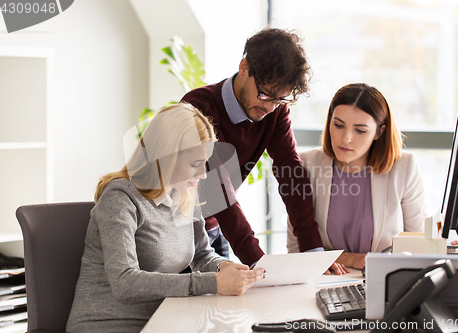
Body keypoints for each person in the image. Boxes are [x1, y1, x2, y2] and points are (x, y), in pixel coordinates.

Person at [66, 103, 265, 333]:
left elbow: (201, 255)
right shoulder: (120, 198)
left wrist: (227, 268)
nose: (202, 175)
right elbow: (125, 282)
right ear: (164, 156)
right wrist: (213, 283)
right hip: (107, 325)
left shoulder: (184, 194)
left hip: (163, 321)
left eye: (204, 164)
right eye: (194, 165)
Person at [181, 27, 324, 266]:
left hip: (216, 231)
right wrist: (259, 263)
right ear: (244, 68)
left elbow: (290, 172)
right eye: (266, 94)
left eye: (280, 99)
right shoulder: (198, 107)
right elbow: (217, 188)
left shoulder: (276, 112)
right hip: (179, 235)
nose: (270, 107)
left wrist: (313, 251)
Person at [286, 83, 427, 274]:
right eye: (338, 125)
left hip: (384, 281)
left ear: (379, 131)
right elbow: (296, 249)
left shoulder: (404, 168)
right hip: (325, 284)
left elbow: (418, 247)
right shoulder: (307, 166)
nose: (346, 139)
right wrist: (350, 258)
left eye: (360, 130)